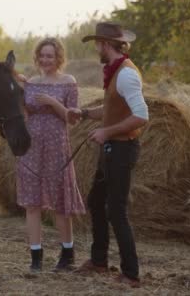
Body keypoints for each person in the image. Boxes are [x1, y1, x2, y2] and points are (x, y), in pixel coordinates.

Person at [67, 22, 149, 287]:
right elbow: (116, 106)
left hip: (122, 149)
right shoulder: (116, 71)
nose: (96, 50)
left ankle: (131, 274)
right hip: (112, 147)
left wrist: (106, 132)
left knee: (116, 210)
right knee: (96, 201)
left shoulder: (126, 74)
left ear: (104, 44)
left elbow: (140, 116)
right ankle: (99, 261)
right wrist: (88, 114)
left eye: (97, 45)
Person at [16, 37, 86, 272]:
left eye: (51, 56)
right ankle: (35, 257)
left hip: (57, 147)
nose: (46, 60)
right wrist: (20, 89)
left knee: (60, 203)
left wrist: (53, 102)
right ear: (37, 57)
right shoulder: (32, 83)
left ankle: (68, 254)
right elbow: (25, 114)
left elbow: (73, 119)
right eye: (42, 55)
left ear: (59, 58)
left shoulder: (68, 82)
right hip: (32, 147)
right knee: (32, 203)